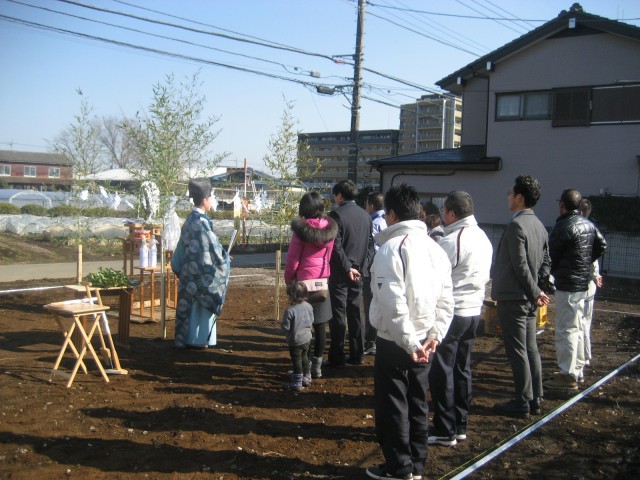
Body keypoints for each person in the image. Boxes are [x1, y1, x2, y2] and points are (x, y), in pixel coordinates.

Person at [366, 183, 454, 480]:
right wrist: (435, 335)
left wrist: (409, 342)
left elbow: (393, 303)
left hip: (396, 341)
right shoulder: (436, 249)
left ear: (391, 215)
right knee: (418, 403)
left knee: (393, 407)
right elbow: (446, 300)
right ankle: (416, 464)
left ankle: (399, 467)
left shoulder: (391, 248)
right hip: (425, 340)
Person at [428, 191, 493, 446]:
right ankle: (460, 423)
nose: (442, 215)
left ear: (452, 213)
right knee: (462, 368)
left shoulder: (453, 240)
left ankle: (444, 428)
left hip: (453, 313)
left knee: (442, 371)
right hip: (473, 311)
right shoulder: (483, 236)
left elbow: (434, 277)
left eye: (444, 211)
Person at [491, 175, 550, 418]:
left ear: (519, 197)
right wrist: (540, 289)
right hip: (528, 297)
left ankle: (522, 400)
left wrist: (535, 291)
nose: (507, 196)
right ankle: (535, 397)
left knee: (518, 350)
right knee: (530, 348)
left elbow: (520, 265)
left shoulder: (517, 225)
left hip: (515, 296)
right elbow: (546, 261)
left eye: (510, 192)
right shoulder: (539, 225)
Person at [544, 189, 606, 392]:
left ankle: (567, 375)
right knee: (578, 327)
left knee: (566, 330)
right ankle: (577, 370)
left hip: (568, 284)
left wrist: (554, 271)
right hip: (582, 285)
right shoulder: (588, 224)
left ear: (562, 205)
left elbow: (551, 254)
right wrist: (585, 261)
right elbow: (601, 244)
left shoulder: (563, 226)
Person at [171, 178, 230, 349]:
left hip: (188, 273)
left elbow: (182, 249)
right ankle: (199, 340)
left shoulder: (191, 219)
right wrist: (224, 258)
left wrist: (179, 267)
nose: (213, 201)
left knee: (190, 309)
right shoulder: (201, 223)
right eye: (212, 197)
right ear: (204, 200)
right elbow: (213, 250)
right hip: (201, 275)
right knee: (200, 308)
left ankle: (190, 339)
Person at [284, 191, 338, 379]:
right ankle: (317, 367)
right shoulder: (330, 230)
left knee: (301, 326)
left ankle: (303, 369)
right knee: (320, 325)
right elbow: (328, 256)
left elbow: (293, 261)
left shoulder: (301, 231)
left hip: (303, 284)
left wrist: (289, 282)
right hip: (322, 281)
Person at [327, 180, 374, 366]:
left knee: (339, 313)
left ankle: (337, 356)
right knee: (355, 312)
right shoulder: (365, 215)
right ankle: (357, 354)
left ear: (340, 195)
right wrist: (362, 267)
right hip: (360, 272)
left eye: (335, 195)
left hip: (341, 272)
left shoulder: (335, 215)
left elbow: (335, 246)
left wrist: (347, 268)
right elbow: (371, 244)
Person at [579, 198, 604, 370]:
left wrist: (594, 274)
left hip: (582, 283)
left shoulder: (581, 229)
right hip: (590, 283)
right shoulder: (593, 228)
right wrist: (596, 275)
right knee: (586, 321)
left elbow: (589, 258)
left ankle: (583, 356)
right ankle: (586, 354)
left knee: (580, 323)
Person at [362, 191, 387, 356]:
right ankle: (374, 339)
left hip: (372, 269)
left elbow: (372, 248)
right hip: (381, 268)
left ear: (371, 205)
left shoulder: (375, 223)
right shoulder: (383, 221)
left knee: (370, 303)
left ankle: (371, 342)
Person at [280, 281, 315, 391]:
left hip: (296, 340)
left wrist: (282, 325)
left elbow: (286, 327)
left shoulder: (290, 310)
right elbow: (312, 320)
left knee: (296, 361)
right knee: (305, 357)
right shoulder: (309, 306)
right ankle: (307, 377)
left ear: (291, 296)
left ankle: (297, 382)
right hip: (307, 338)